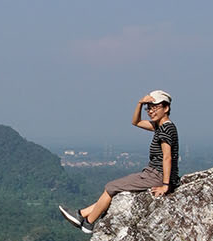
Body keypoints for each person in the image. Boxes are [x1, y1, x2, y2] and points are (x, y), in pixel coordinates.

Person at [59, 91, 179, 232]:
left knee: (111, 187)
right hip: (151, 173)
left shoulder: (166, 128)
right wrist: (139, 104)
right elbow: (136, 122)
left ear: (166, 108)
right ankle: (81, 214)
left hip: (156, 176)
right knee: (116, 187)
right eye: (149, 108)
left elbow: (167, 157)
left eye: (155, 107)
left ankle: (88, 223)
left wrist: (165, 185)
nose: (151, 111)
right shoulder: (160, 126)